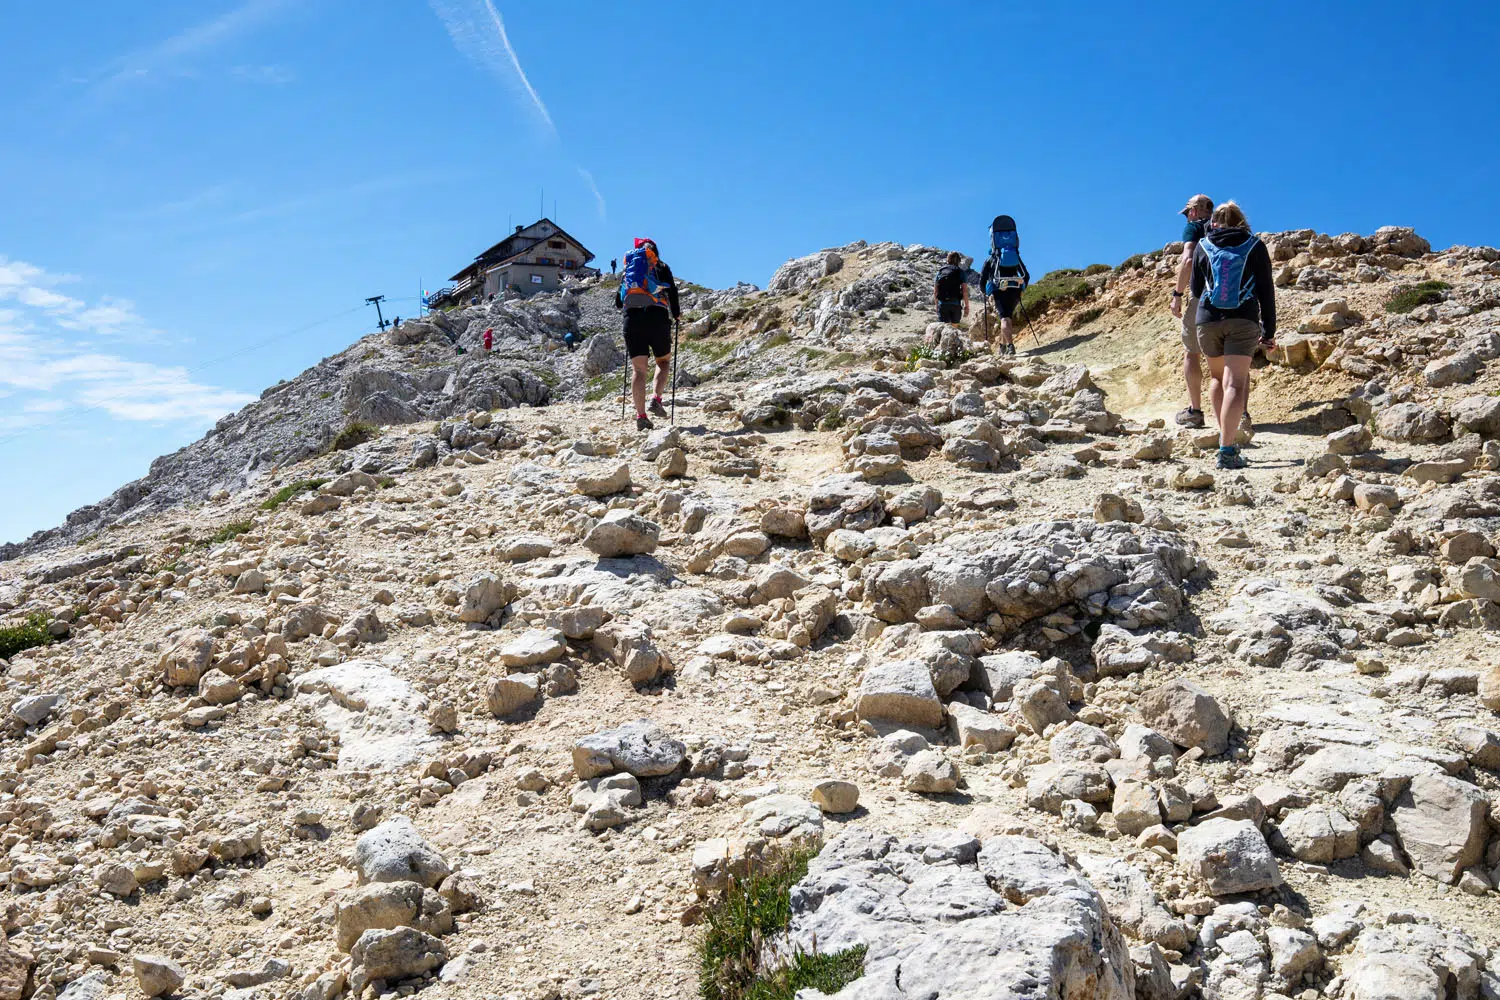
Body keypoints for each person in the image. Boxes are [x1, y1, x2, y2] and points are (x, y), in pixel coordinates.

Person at [1190, 201, 1276, 469]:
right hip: (1243, 319)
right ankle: (1227, 450)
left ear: (1214, 222)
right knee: (1235, 383)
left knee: (1216, 378)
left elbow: (1195, 289)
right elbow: (1266, 292)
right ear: (1242, 222)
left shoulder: (1203, 246)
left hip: (1207, 320)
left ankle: (1224, 440)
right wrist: (1269, 331)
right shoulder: (1255, 246)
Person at [615, 238, 681, 430]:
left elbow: (619, 302)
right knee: (663, 361)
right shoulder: (661, 265)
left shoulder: (629, 271)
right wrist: (676, 314)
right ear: (654, 252)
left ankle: (641, 416)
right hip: (657, 319)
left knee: (639, 370)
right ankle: (656, 399)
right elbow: (672, 292)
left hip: (632, 320)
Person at [980, 216, 1030, 356]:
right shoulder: (1015, 256)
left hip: (999, 290)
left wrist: (986, 292)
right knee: (1007, 317)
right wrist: (1022, 288)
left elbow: (982, 279)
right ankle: (1002, 346)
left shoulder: (991, 259)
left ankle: (1010, 346)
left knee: (1004, 318)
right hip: (1015, 290)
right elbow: (1026, 275)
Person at [933, 252, 970, 324]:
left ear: (948, 260)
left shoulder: (940, 271)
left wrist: (937, 305)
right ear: (959, 261)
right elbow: (964, 291)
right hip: (955, 304)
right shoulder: (960, 272)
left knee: (944, 329)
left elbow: (935, 291)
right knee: (954, 329)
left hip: (943, 304)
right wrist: (966, 306)